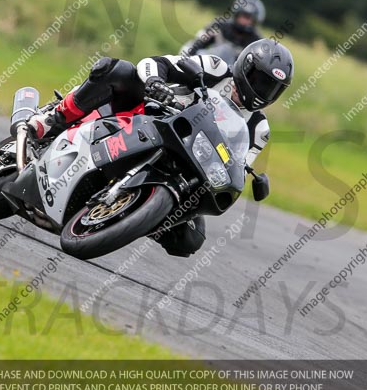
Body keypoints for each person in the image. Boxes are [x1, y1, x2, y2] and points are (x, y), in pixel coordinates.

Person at [28, 39, 294, 257]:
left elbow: (238, 162)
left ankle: (132, 216)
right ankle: (53, 120)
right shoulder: (215, 68)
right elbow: (158, 63)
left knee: (192, 236)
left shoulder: (259, 129)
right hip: (148, 114)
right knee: (117, 70)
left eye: (272, 88)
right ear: (245, 68)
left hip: (188, 159)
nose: (263, 91)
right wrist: (156, 83)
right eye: (260, 80)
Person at [181, 0, 265, 58]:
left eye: (251, 18)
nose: (247, 21)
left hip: (232, 77)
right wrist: (189, 58)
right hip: (209, 68)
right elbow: (197, 43)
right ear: (237, 14)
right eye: (244, 16)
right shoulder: (219, 26)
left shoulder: (256, 40)